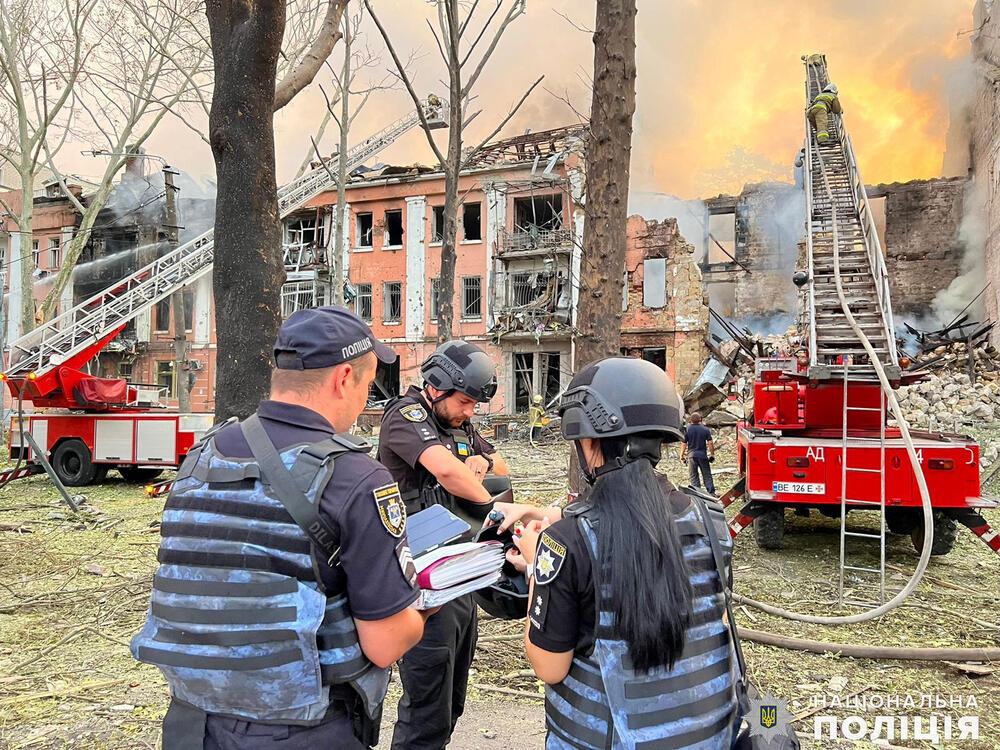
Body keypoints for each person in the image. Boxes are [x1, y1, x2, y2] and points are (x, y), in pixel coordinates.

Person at [131, 306, 435, 749]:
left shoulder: (201, 458)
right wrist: (424, 607)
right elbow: (385, 645)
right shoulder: (355, 478)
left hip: (191, 724)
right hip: (301, 730)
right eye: (367, 386)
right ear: (343, 378)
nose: (363, 401)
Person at [499, 358, 741, 748]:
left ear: (588, 440)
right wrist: (543, 516)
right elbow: (635, 523)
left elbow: (549, 665)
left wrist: (536, 569)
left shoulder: (564, 542)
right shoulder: (710, 519)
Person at [377, 340, 509, 750]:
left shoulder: (458, 423)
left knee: (452, 698)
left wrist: (483, 463)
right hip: (423, 578)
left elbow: (500, 465)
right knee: (427, 704)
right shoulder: (406, 416)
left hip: (459, 571)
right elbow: (447, 473)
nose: (470, 412)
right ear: (437, 385)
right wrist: (498, 514)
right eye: (466, 401)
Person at [681, 411, 716, 495]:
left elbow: (684, 443)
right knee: (707, 475)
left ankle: (697, 493)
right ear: (700, 419)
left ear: (690, 420)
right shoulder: (705, 429)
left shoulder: (687, 430)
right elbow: (710, 443)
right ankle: (711, 493)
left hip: (691, 456)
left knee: (694, 476)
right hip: (702, 456)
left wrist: (681, 455)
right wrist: (712, 454)